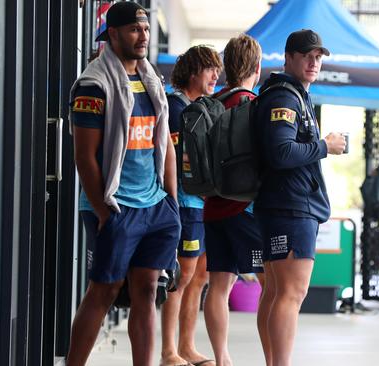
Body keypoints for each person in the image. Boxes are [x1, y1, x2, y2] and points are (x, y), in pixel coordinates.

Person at [67, 2, 180, 365]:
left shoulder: (152, 81)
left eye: (145, 29)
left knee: (148, 291)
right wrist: (104, 212)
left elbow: (165, 146)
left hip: (154, 204)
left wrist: (171, 203)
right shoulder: (93, 84)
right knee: (104, 290)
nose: (143, 36)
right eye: (134, 29)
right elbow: (84, 156)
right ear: (112, 34)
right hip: (115, 205)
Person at [254, 29, 346, 366]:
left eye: (318, 56)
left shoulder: (287, 94)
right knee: (291, 294)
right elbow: (281, 152)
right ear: (288, 58)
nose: (314, 62)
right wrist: (325, 146)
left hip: (279, 206)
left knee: (278, 293)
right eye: (307, 55)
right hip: (291, 207)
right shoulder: (284, 97)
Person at [201, 34, 268, 366]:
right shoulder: (252, 105)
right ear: (257, 67)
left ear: (227, 66)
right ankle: (275, 357)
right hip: (245, 209)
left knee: (219, 285)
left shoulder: (213, 103)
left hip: (212, 208)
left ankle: (222, 358)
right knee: (274, 287)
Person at [160, 45, 222, 366]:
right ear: (193, 71)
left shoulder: (200, 108)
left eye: (217, 69)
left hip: (201, 203)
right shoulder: (175, 108)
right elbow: (171, 161)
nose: (216, 75)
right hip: (183, 203)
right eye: (210, 69)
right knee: (181, 277)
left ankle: (186, 346)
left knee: (199, 277)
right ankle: (169, 350)